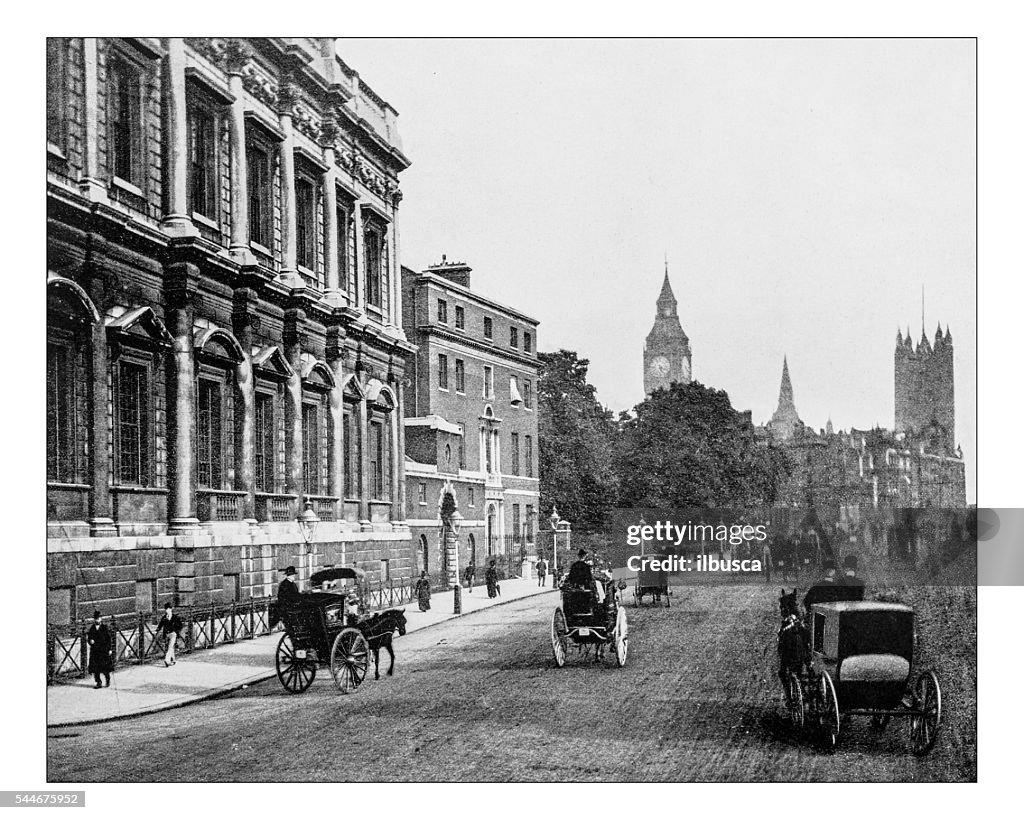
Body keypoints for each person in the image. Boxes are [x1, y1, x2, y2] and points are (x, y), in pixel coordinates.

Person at [86, 610, 113, 689]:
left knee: (105, 667)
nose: (97, 620)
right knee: (95, 668)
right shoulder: (92, 628)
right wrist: (90, 641)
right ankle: (98, 682)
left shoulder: (104, 628)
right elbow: (89, 637)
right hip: (95, 651)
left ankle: (107, 679)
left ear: (101, 619)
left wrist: (109, 649)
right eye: (95, 619)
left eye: (98, 618)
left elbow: (108, 639)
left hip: (103, 650)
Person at [157, 602, 183, 667]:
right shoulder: (164, 617)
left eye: (168, 609)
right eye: (166, 609)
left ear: (171, 609)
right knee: (170, 647)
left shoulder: (175, 617)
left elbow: (180, 625)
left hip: (173, 634)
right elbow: (160, 625)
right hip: (166, 634)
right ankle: (173, 660)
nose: (167, 611)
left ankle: (167, 660)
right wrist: (158, 629)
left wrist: (176, 631)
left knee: (170, 646)